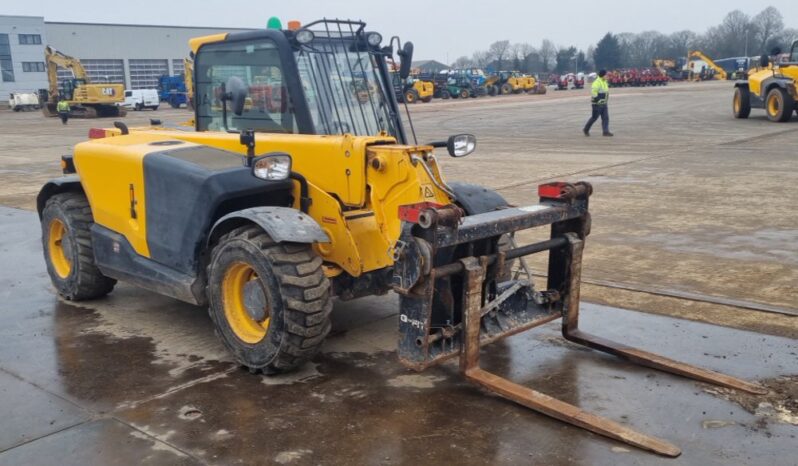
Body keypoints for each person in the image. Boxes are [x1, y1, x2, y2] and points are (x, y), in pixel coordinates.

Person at [583, 69, 612, 137]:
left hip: (604, 103)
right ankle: (586, 129)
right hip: (597, 104)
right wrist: (597, 100)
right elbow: (594, 92)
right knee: (594, 118)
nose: (607, 76)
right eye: (606, 75)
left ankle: (605, 131)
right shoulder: (596, 82)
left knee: (605, 118)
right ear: (603, 75)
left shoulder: (604, 81)